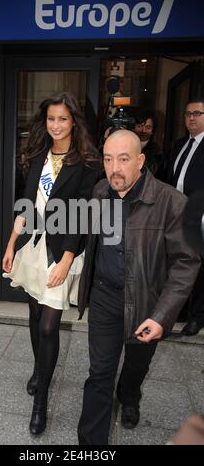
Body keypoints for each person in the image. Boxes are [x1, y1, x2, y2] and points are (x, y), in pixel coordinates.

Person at [77, 129, 200, 445]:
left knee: (135, 365)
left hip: (147, 302)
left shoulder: (172, 203)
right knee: (99, 374)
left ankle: (129, 396)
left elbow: (186, 263)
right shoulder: (100, 191)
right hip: (104, 296)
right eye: (108, 159)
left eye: (123, 159)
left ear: (141, 161)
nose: (114, 168)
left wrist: (162, 316)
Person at [2, 92, 100, 436]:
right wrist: (12, 244)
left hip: (62, 251)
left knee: (48, 326)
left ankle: (40, 401)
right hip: (32, 247)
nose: (55, 125)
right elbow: (26, 206)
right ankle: (39, 370)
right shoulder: (37, 155)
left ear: (74, 121)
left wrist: (67, 259)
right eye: (50, 119)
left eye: (62, 118)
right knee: (32, 315)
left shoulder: (87, 161)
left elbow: (85, 215)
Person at [167, 98, 204, 336]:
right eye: (188, 113)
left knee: (198, 267)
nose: (191, 117)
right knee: (177, 263)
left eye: (198, 113)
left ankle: (197, 316)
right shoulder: (179, 145)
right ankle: (178, 310)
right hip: (175, 215)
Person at [133, 109, 163, 177]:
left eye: (148, 127)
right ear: (133, 127)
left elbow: (148, 172)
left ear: (153, 130)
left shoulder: (156, 151)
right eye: (139, 126)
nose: (143, 130)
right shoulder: (125, 143)